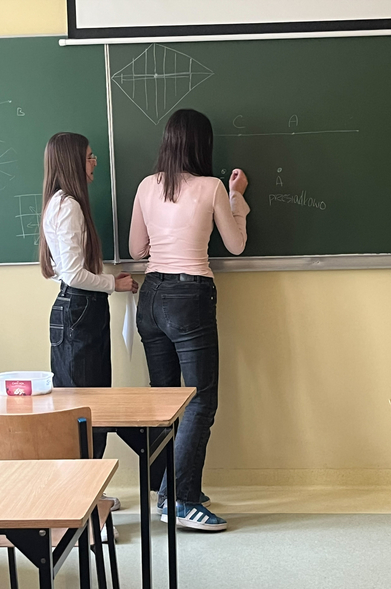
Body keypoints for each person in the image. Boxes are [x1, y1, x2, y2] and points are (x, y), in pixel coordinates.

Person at [129, 109, 250, 532]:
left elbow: (136, 247)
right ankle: (180, 500)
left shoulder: (146, 185)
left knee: (165, 400)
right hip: (190, 295)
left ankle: (170, 490)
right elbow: (236, 244)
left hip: (151, 295)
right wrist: (237, 199)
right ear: (203, 144)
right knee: (200, 399)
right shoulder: (212, 186)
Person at [39, 132, 138, 518]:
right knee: (88, 410)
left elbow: (62, 271)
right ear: (72, 162)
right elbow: (73, 274)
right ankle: (88, 502)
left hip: (75, 311)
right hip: (80, 311)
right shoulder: (69, 207)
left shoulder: (59, 204)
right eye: (90, 157)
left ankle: (90, 496)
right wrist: (113, 284)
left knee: (85, 409)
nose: (95, 162)